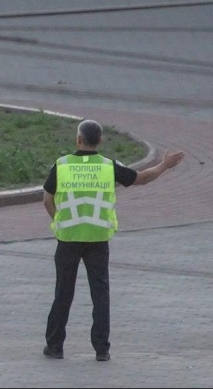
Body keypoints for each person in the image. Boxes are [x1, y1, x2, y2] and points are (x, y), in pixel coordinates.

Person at [42, 119, 184, 361]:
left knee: (63, 293)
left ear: (78, 139)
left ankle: (55, 347)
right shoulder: (108, 166)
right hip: (98, 238)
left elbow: (47, 199)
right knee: (100, 293)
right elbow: (141, 178)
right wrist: (164, 165)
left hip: (68, 238)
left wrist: (60, 223)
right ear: (100, 141)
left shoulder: (62, 165)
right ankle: (101, 349)